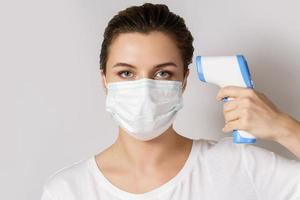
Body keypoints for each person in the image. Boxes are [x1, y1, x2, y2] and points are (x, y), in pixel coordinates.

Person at [40, 3, 300, 200]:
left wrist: (283, 127)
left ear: (183, 81)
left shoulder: (238, 166)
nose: (144, 88)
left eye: (162, 73)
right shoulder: (68, 191)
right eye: (126, 73)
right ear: (105, 80)